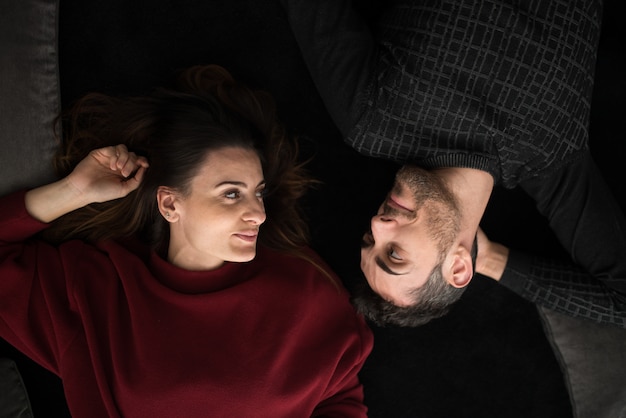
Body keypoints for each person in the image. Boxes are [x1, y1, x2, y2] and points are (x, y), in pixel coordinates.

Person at [0, 64, 373, 417]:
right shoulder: (96, 288)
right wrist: (74, 190)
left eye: (258, 193)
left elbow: (341, 398)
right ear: (170, 203)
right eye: (231, 194)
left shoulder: (305, 288)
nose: (258, 213)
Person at [280, 0, 626, 327]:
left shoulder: (370, 121)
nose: (378, 222)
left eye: (369, 238)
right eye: (396, 254)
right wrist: (490, 259)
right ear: (458, 267)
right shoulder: (550, 161)